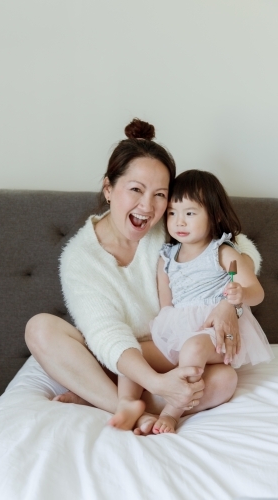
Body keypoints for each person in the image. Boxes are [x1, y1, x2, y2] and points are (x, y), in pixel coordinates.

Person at [25, 119, 261, 434]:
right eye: (135, 189)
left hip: (179, 349)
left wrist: (229, 305)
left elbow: (238, 251)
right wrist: (157, 382)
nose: (148, 207)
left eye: (160, 194)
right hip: (118, 358)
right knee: (40, 329)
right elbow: (107, 336)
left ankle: (112, 400)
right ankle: (131, 405)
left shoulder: (172, 224)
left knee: (224, 381)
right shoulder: (81, 258)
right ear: (108, 188)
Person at [146, 170, 273, 433]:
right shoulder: (166, 259)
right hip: (178, 329)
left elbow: (255, 291)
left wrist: (239, 295)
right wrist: (166, 338)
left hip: (215, 334)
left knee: (194, 347)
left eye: (190, 213)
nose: (179, 221)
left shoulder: (222, 251)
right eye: (172, 212)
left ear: (214, 215)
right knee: (132, 353)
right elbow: (166, 307)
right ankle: (110, 398)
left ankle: (171, 412)